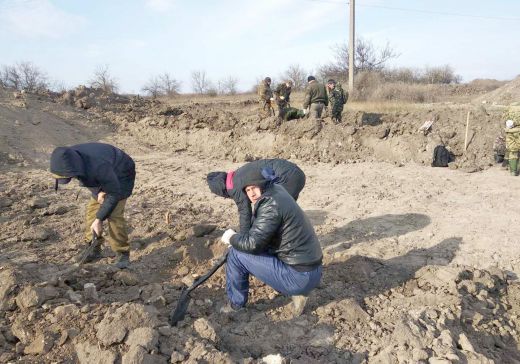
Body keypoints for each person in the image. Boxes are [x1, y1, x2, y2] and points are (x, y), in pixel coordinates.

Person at [219, 168, 323, 316]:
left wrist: (231, 238)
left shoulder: (270, 203)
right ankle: (299, 292)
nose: (252, 194)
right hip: (312, 271)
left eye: (254, 187)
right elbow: (261, 235)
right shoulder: (277, 191)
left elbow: (252, 244)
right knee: (244, 248)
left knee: (236, 254)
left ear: (262, 184)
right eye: (248, 190)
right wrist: (239, 239)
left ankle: (236, 305)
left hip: (299, 277)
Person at [50, 143, 136, 268]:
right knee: (92, 210)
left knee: (114, 214)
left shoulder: (98, 166)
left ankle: (122, 252)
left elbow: (114, 194)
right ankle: (93, 247)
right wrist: (98, 192)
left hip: (121, 172)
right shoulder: (70, 158)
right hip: (105, 173)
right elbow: (88, 178)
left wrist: (99, 219)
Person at [206, 159, 306, 234]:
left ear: (222, 190)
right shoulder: (238, 174)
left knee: (273, 211)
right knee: (287, 209)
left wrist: (244, 237)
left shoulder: (233, 187)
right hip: (296, 173)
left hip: (286, 178)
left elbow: (245, 213)